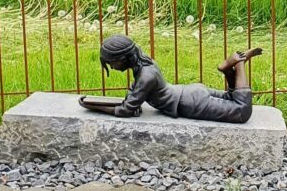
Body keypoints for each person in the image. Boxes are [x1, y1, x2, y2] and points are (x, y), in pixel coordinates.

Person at [81, 34, 261, 124]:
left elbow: (126, 110)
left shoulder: (145, 75)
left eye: (111, 63)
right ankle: (227, 70)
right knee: (231, 100)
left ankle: (238, 64)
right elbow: (133, 95)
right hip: (189, 93)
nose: (112, 67)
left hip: (189, 103)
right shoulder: (145, 64)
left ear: (123, 57)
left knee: (241, 111)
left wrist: (93, 106)